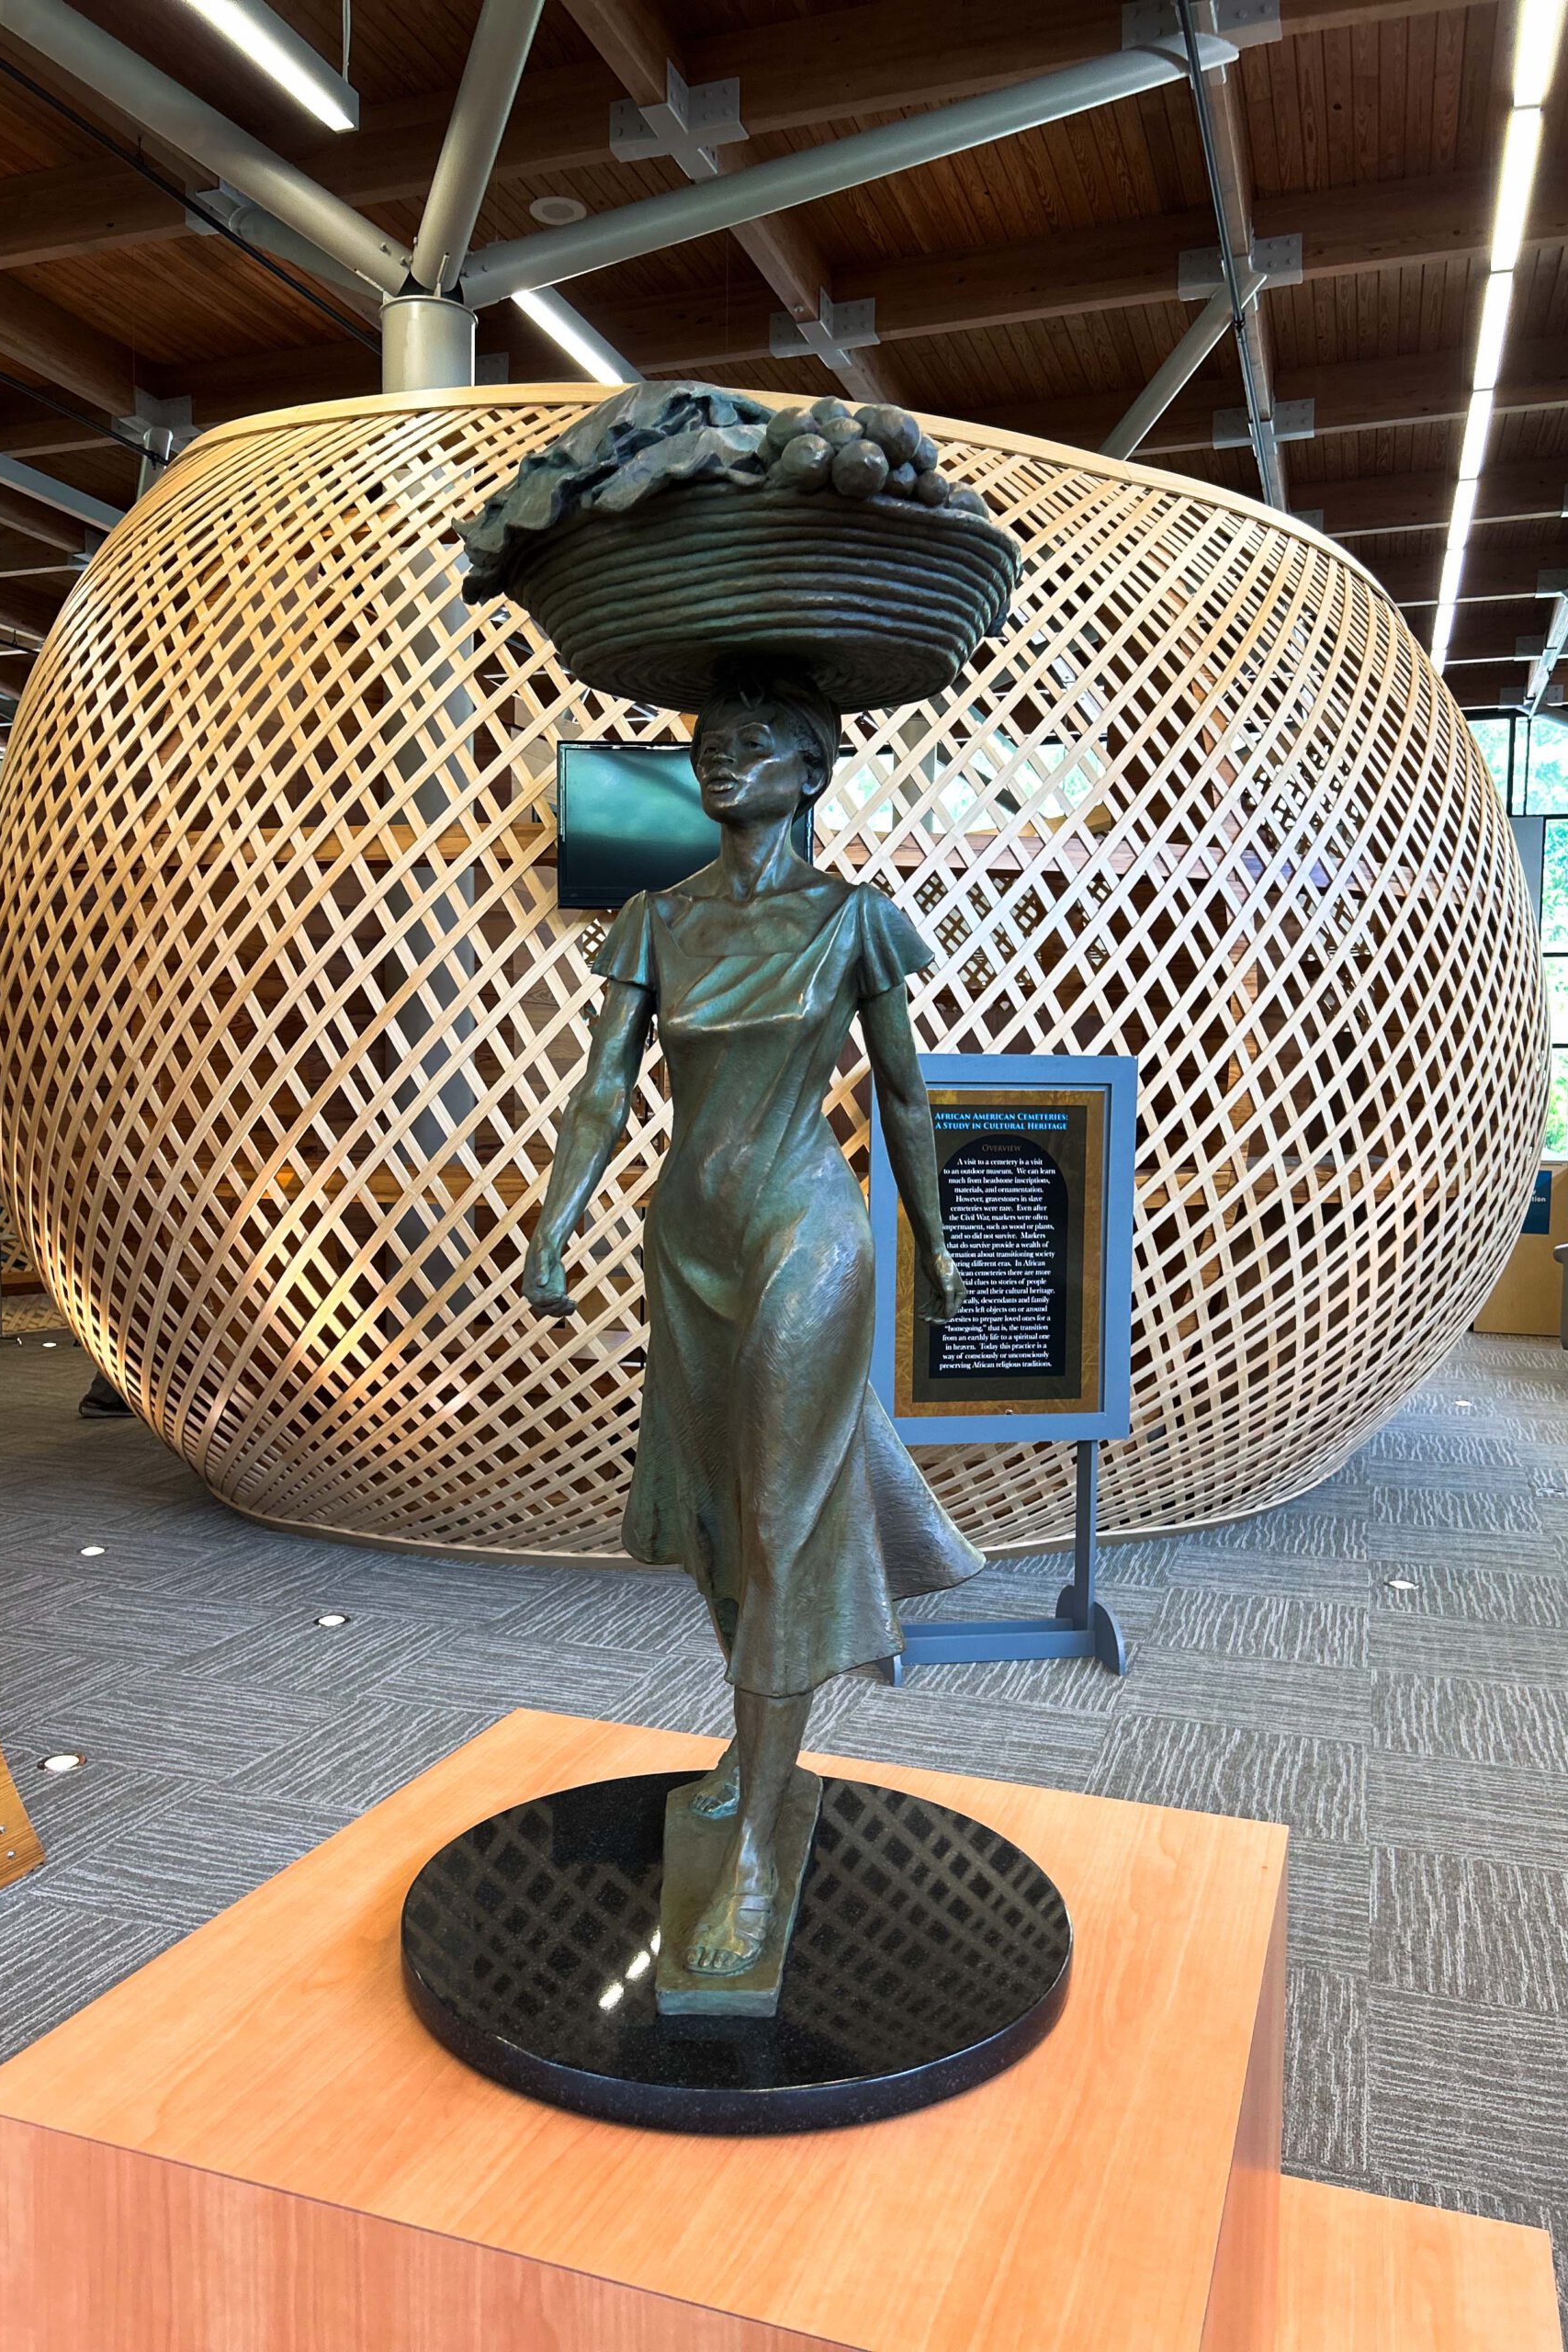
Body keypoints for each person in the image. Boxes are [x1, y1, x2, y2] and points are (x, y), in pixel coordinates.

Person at [522, 670, 983, 1983]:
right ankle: (753, 1746)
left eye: (756, 743)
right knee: (719, 1518)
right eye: (709, 743)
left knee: (779, 1519)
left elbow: (903, 1094)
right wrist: (556, 1224)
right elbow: (603, 1091)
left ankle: (759, 1861)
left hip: (807, 1236)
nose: (723, 759)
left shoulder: (854, 921)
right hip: (688, 1246)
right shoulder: (656, 919)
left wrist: (935, 1233)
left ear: (811, 772)